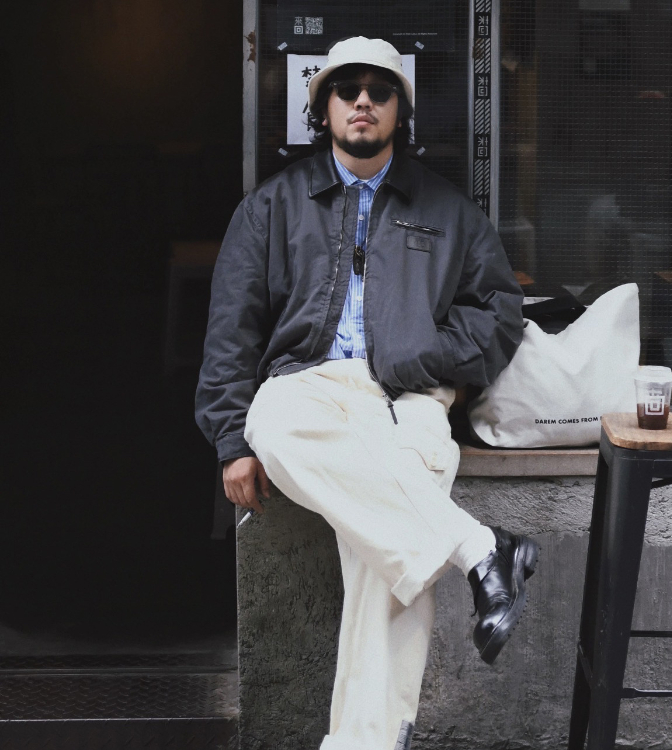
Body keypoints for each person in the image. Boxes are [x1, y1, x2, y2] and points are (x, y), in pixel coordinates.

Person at [196, 36, 539, 750]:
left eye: (379, 90)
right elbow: (232, 331)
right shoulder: (271, 207)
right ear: (321, 107)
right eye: (346, 89)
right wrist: (232, 440)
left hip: (412, 397)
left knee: (384, 546)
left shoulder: (447, 209)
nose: (362, 101)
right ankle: (479, 548)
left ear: (399, 111)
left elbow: (500, 315)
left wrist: (427, 356)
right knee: (271, 422)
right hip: (310, 389)